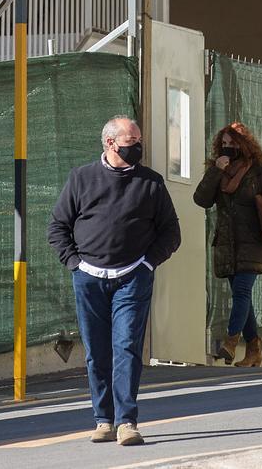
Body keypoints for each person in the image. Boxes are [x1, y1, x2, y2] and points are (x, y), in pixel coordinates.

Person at [48, 116, 181, 447]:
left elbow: (171, 232)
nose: (138, 147)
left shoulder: (151, 183)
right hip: (89, 279)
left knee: (127, 347)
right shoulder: (81, 178)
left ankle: (126, 422)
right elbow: (57, 227)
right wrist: (75, 263)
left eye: (139, 141)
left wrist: (147, 264)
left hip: (132, 278)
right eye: (131, 141)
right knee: (96, 351)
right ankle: (103, 420)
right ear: (110, 143)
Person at [193, 122, 262, 368]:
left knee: (241, 291)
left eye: (233, 143)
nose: (228, 148)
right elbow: (201, 199)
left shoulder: (259, 170)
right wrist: (215, 171)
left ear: (244, 144)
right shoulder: (218, 170)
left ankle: (230, 342)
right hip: (227, 244)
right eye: (224, 144)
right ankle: (254, 350)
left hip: (254, 242)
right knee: (244, 298)